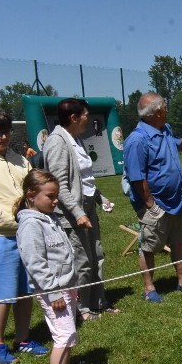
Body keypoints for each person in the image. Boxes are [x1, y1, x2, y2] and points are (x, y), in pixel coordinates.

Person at [123, 92, 182, 303]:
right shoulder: (137, 140)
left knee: (178, 241)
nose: (167, 109)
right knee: (149, 247)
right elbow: (138, 178)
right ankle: (149, 288)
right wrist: (151, 205)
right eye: (165, 106)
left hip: (175, 200)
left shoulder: (164, 129)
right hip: (155, 204)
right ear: (156, 112)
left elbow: (175, 141)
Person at [14, 170, 94, 364]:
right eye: (50, 196)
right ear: (31, 195)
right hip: (52, 292)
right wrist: (53, 291)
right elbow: (35, 262)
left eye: (56, 195)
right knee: (63, 336)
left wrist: (70, 285)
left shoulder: (50, 218)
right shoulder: (30, 225)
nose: (55, 200)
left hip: (65, 287)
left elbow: (61, 256)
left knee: (69, 334)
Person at [43, 98, 118, 322]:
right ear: (74, 118)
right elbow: (59, 186)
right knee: (81, 261)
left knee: (97, 255)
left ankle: (99, 302)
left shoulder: (76, 138)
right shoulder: (57, 142)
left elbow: (84, 178)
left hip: (86, 208)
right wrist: (78, 213)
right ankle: (82, 308)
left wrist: (99, 198)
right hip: (70, 214)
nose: (89, 118)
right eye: (86, 115)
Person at [0, 106, 48, 364]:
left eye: (6, 132)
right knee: (3, 294)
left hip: (26, 233)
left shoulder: (19, 159)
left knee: (26, 290)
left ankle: (22, 339)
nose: (2, 137)